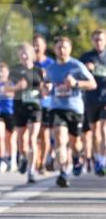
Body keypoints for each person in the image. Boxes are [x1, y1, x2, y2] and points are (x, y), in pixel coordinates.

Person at [43, 36, 95, 188]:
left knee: (75, 143)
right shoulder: (51, 68)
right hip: (56, 108)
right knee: (60, 138)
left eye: (64, 47)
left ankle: (76, 157)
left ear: (70, 49)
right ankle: (63, 173)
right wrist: (46, 88)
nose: (62, 50)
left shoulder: (77, 65)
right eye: (59, 47)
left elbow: (92, 84)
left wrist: (76, 83)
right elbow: (45, 88)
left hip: (74, 108)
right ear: (55, 49)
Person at [9, 42, 44, 183]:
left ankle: (31, 170)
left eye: (26, 52)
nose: (24, 56)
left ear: (31, 53)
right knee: (21, 139)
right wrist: (17, 87)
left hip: (35, 107)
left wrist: (45, 89)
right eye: (21, 53)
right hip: (19, 106)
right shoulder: (15, 70)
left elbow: (44, 88)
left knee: (32, 138)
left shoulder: (38, 70)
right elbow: (6, 88)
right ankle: (23, 157)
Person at [80, 28, 106, 177]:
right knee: (94, 132)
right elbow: (77, 76)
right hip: (90, 99)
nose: (98, 42)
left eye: (101, 39)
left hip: (105, 98)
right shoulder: (86, 57)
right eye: (96, 39)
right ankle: (98, 159)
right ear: (92, 41)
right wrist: (86, 69)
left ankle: (103, 161)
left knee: (104, 129)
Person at [33, 34, 55, 174]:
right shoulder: (28, 63)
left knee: (44, 135)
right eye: (34, 45)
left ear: (44, 47)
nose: (36, 47)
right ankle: (34, 161)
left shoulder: (51, 64)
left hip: (46, 104)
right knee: (33, 136)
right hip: (31, 104)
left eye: (38, 45)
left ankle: (42, 162)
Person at [0, 61, 15, 172]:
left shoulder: (11, 83)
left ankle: (11, 159)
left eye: (3, 71)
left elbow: (14, 94)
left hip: (10, 111)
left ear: (7, 72)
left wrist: (6, 91)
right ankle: (2, 159)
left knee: (9, 138)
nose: (1, 74)